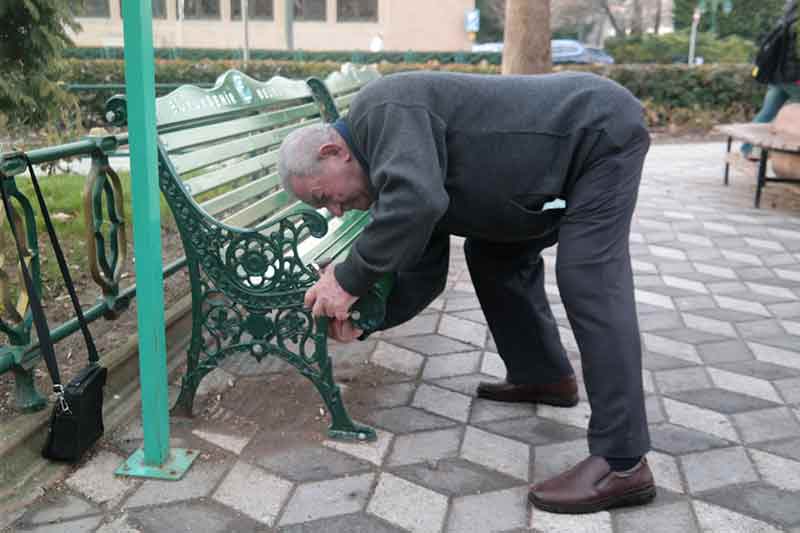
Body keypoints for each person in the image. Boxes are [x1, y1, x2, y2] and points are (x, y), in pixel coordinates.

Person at [278, 70, 655, 514]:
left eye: (327, 198)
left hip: (596, 133)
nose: (336, 211)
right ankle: (543, 375)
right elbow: (424, 271)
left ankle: (623, 462)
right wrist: (364, 320)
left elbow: (418, 204)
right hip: (543, 168)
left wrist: (346, 279)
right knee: (493, 255)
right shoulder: (392, 163)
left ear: (333, 151)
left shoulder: (383, 109)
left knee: (589, 278)